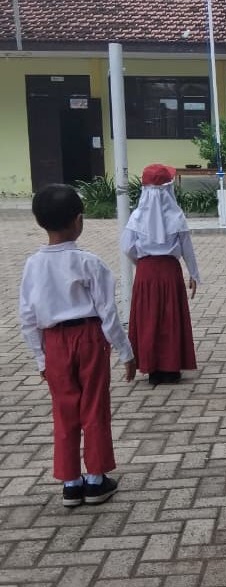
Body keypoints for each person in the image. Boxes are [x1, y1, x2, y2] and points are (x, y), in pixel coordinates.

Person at [19, 185, 135, 507]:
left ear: (39, 221)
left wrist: (41, 358)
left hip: (53, 342)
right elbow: (108, 313)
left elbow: (27, 317)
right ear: (79, 220)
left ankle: (71, 483)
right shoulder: (90, 263)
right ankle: (96, 480)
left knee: (64, 411)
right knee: (94, 406)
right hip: (89, 338)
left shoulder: (32, 265)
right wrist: (126, 352)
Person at [121, 164, 199, 387]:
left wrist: (141, 262)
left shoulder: (137, 217)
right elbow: (187, 248)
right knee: (170, 318)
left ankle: (152, 367)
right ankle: (171, 367)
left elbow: (127, 247)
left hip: (146, 272)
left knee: (149, 318)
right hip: (169, 271)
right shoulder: (176, 216)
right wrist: (193, 274)